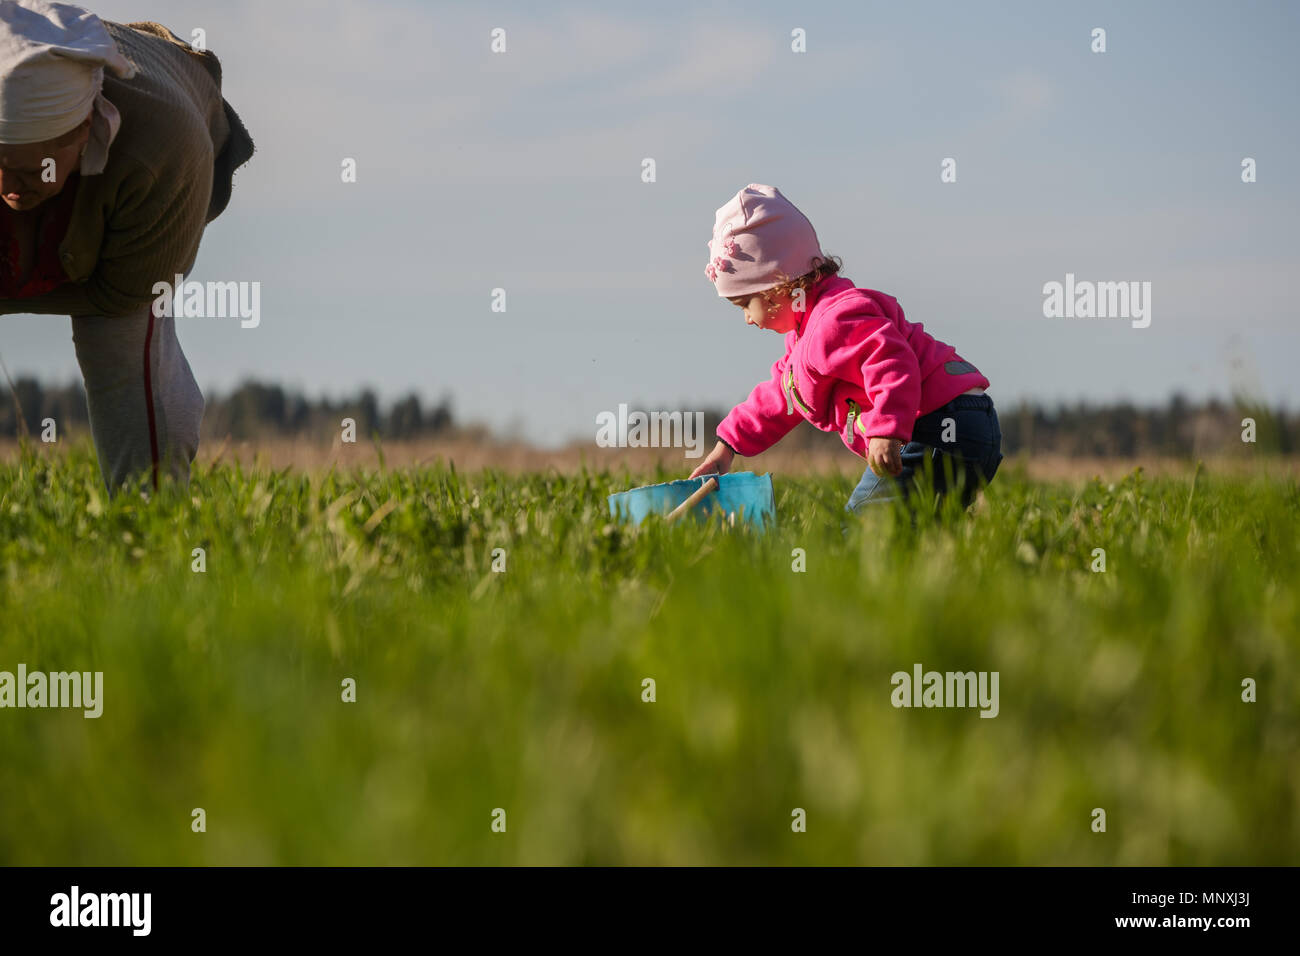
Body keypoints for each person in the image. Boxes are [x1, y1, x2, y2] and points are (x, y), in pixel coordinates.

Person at [0, 1, 253, 494]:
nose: (10, 189)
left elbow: (123, 296)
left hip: (119, 219)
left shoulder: (164, 148)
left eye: (34, 170)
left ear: (86, 127)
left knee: (128, 364)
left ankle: (148, 522)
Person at [689, 184, 1003, 515]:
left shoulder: (833, 320)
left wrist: (886, 430)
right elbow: (779, 397)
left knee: (862, 530)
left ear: (776, 286)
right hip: (959, 422)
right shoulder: (807, 336)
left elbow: (892, 361)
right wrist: (727, 448)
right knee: (917, 531)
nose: (748, 319)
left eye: (745, 304)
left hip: (938, 425)